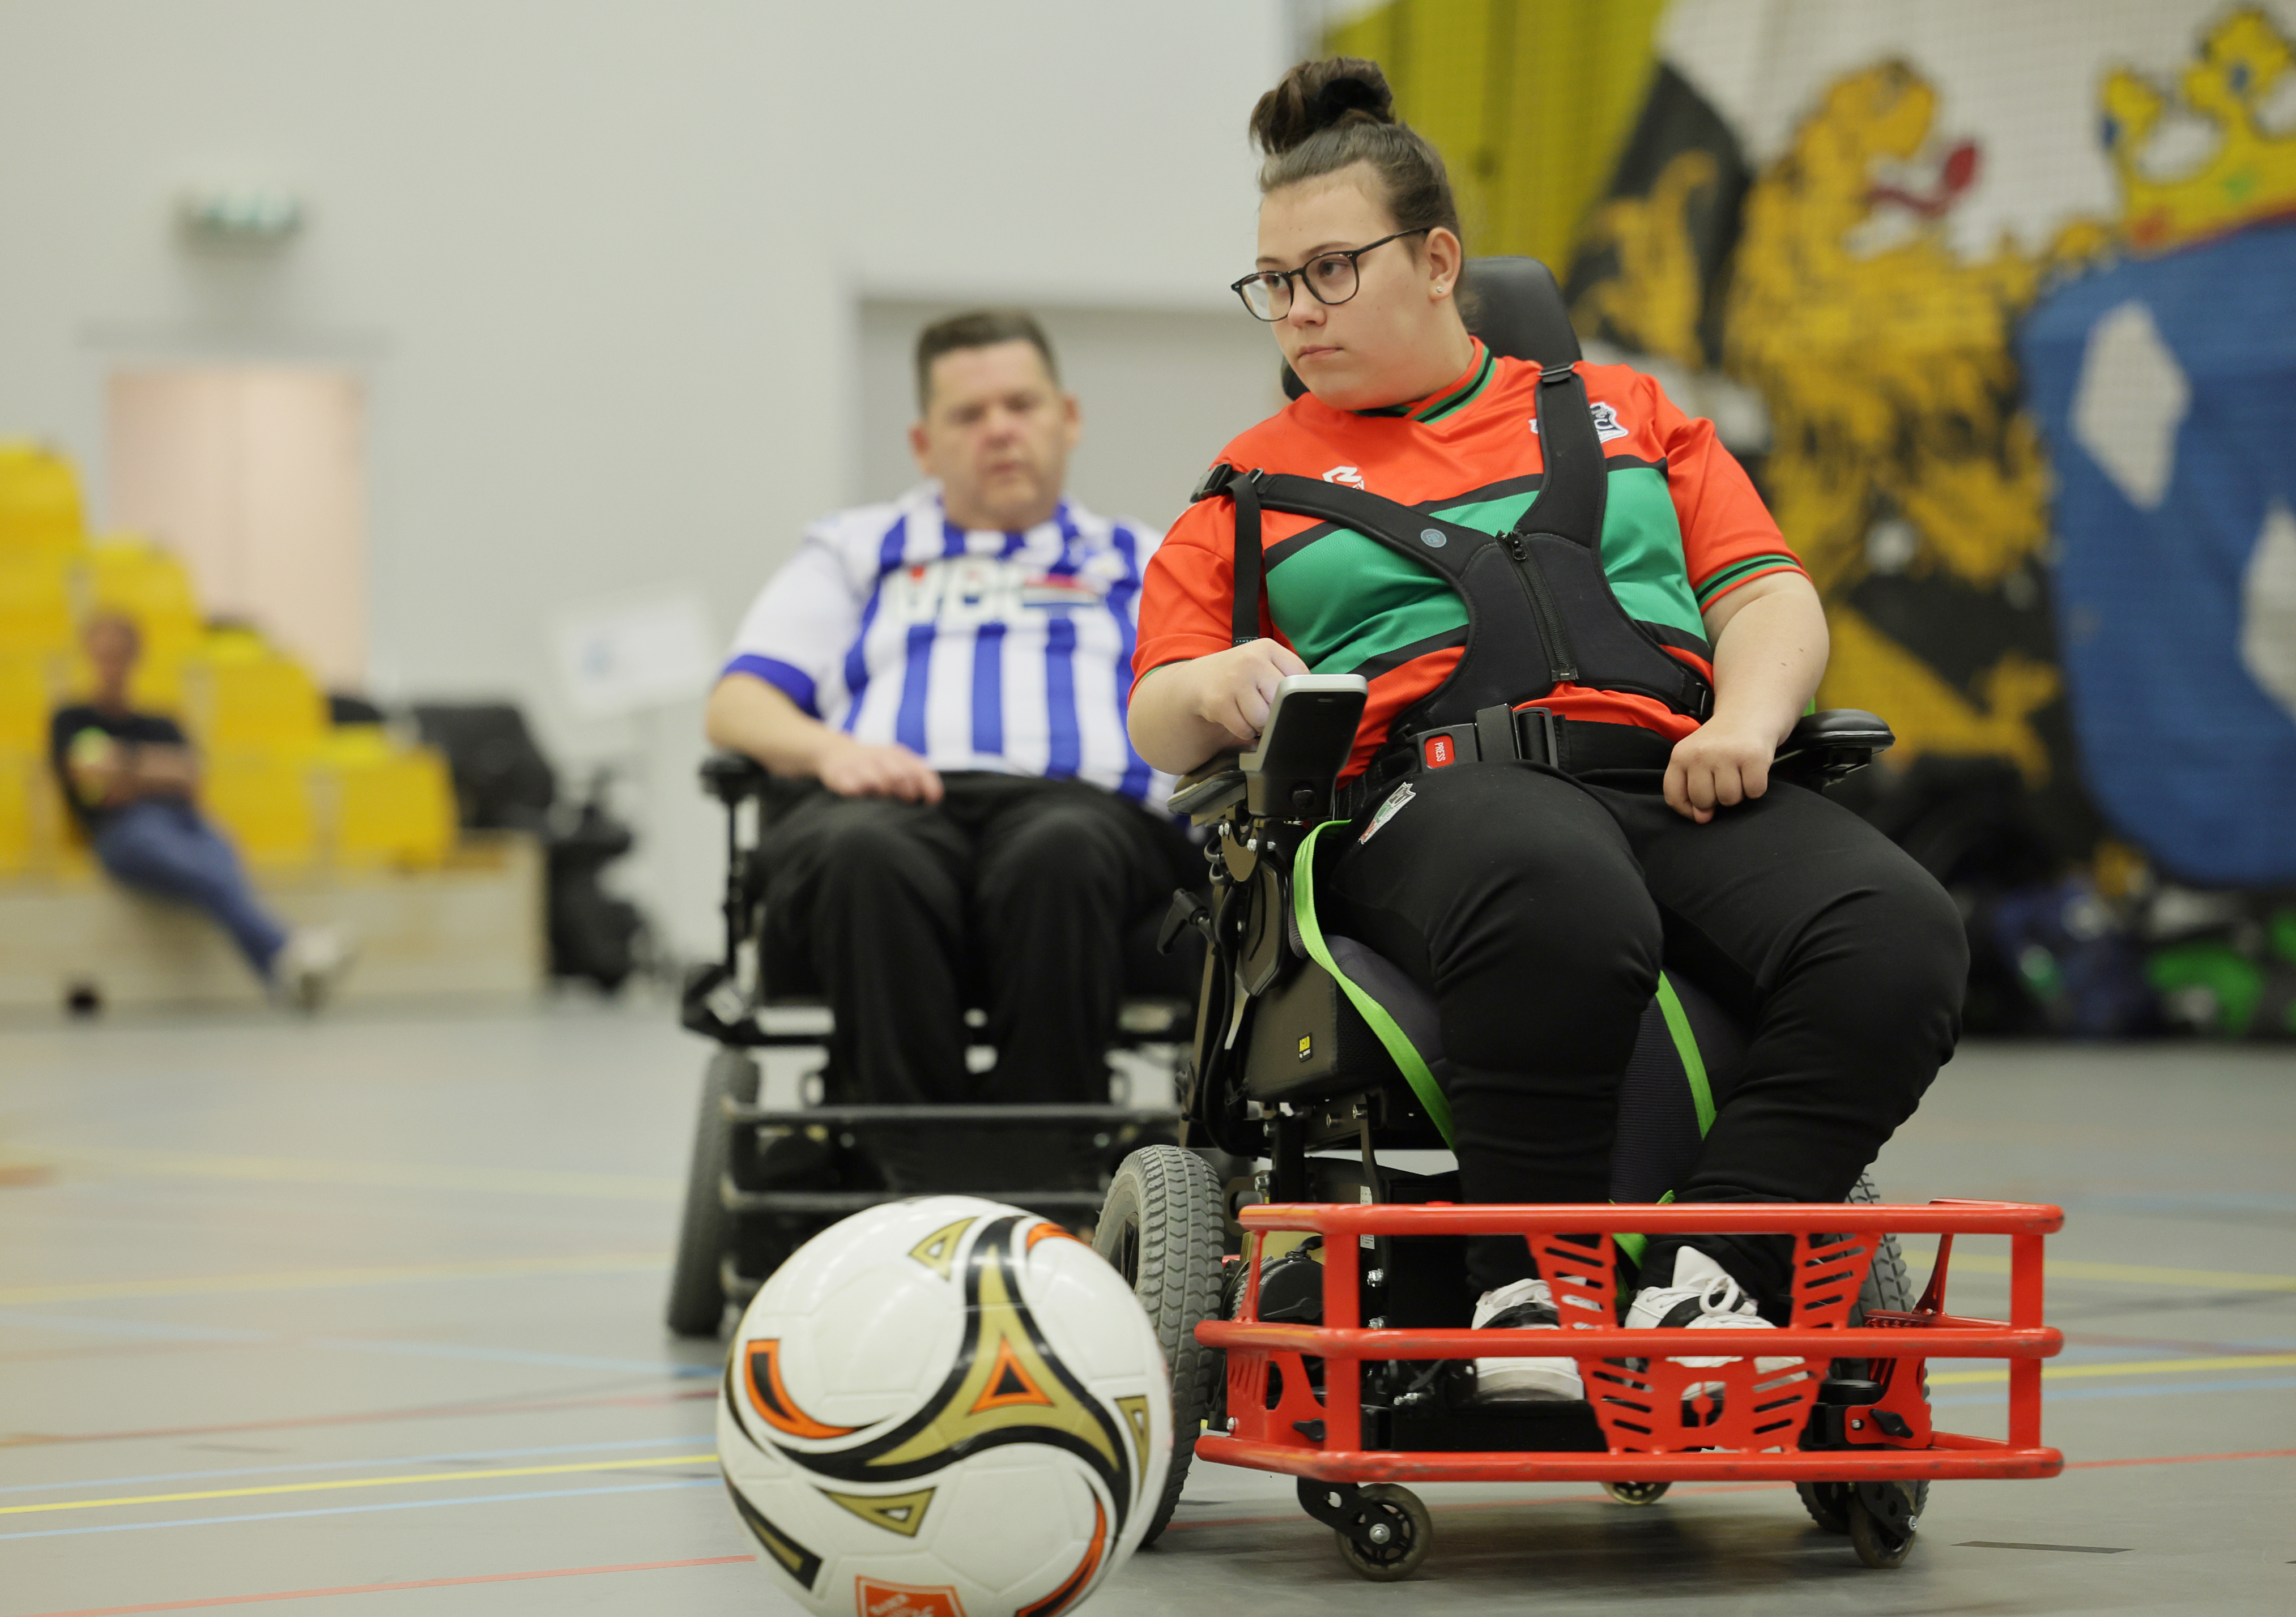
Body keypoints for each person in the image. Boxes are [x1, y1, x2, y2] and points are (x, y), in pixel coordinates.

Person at [1128, 59, 1967, 1402]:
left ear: (1439, 259)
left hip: (1673, 779)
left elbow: (1766, 592)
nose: (1296, 308)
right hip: (1433, 803)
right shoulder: (1245, 488)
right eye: (1274, 281)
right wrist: (1218, 681)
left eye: (1330, 269)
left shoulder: (1630, 416)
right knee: (1553, 879)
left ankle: (1718, 1274)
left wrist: (1746, 721)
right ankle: (1528, 1273)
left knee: (1898, 930)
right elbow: (1158, 705)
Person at [707, 309, 1186, 1105]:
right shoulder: (856, 548)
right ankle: (905, 1148)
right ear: (924, 444)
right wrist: (831, 752)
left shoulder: (1143, 558)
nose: (999, 430)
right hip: (881, 805)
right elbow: (737, 703)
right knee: (867, 854)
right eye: (968, 414)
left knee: (1058, 850)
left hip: (1090, 819)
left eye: (1021, 405)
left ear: (1066, 420)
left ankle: (1048, 1139)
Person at [50, 613, 355, 1008]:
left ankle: (287, 967)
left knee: (223, 862)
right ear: (89, 656)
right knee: (210, 875)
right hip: (123, 832)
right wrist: (154, 769)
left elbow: (189, 776)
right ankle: (289, 952)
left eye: (119, 653)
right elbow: (89, 775)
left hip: (185, 821)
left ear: (134, 657)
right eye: (103, 653)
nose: (111, 663)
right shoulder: (72, 717)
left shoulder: (160, 720)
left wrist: (122, 764)